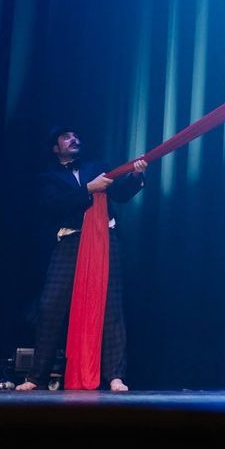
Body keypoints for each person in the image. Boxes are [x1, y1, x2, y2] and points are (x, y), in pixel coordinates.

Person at [16, 127, 148, 392]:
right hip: (71, 242)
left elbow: (121, 194)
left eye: (75, 135)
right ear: (55, 148)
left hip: (104, 240)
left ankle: (115, 376)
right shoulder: (48, 178)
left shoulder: (98, 167)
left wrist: (135, 176)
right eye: (66, 137)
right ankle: (36, 376)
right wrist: (89, 189)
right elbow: (54, 206)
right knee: (50, 306)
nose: (73, 139)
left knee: (111, 306)